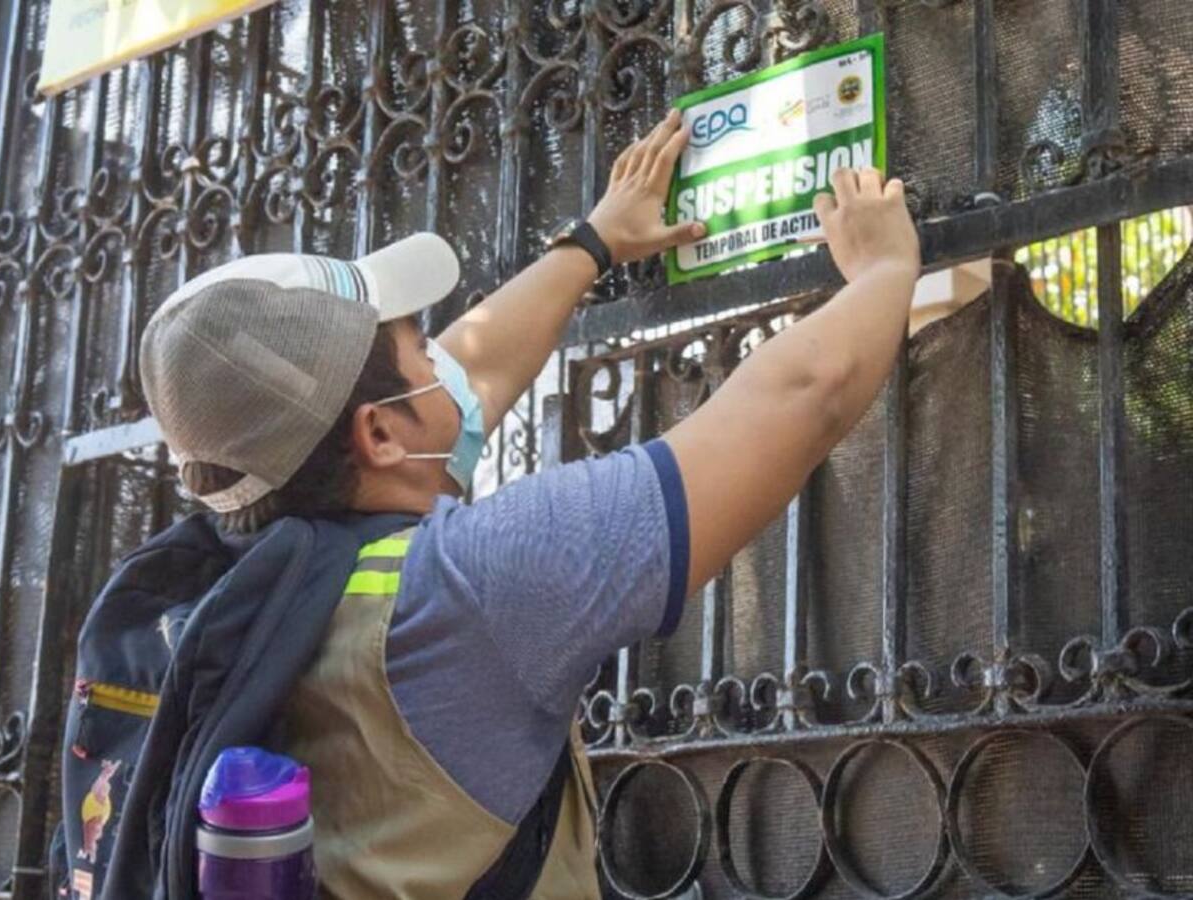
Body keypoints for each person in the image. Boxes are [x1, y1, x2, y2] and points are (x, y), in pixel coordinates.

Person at [81, 109, 920, 898]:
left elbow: (467, 380)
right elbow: (805, 392)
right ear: (376, 436)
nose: (439, 356)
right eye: (418, 349)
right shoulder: (468, 586)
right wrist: (884, 269)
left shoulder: (240, 588)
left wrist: (593, 243)